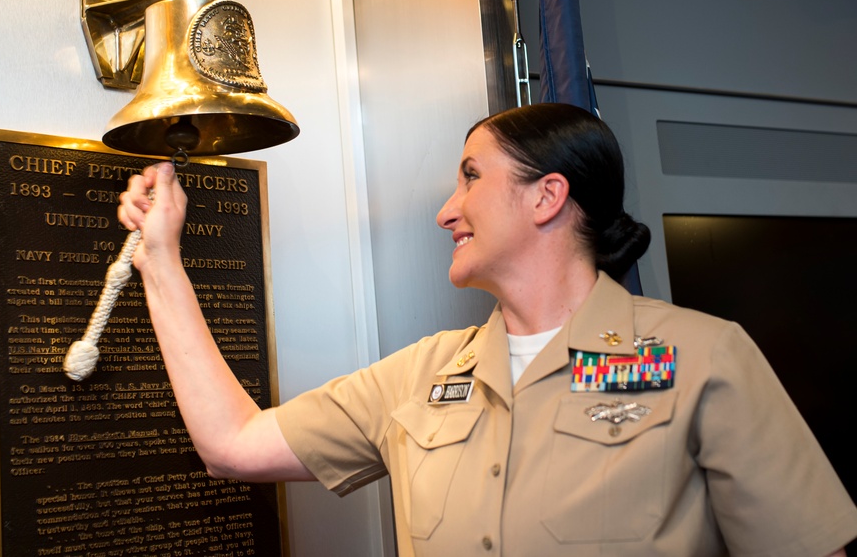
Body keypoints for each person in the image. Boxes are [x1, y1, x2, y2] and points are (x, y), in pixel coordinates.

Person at [118, 103, 857, 556]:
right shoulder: (419, 376)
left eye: (471, 176)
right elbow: (232, 444)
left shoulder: (700, 356)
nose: (447, 209)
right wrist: (162, 263)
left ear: (547, 197)